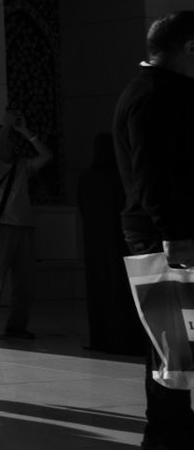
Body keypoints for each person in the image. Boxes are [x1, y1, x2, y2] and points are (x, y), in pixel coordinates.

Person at [114, 11, 194, 450]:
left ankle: (164, 430)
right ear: (189, 47)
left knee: (167, 336)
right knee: (174, 337)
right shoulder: (154, 95)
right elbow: (153, 173)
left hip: (163, 229)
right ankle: (174, 435)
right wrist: (175, 233)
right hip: (166, 234)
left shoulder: (157, 91)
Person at [0, 108, 52, 341]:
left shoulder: (21, 165)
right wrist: (6, 126)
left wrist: (25, 131)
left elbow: (46, 156)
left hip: (24, 228)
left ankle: (16, 326)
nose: (8, 144)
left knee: (25, 283)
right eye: (4, 140)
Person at [77, 132, 147, 356]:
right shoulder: (121, 177)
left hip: (94, 244)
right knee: (122, 290)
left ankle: (102, 337)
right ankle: (126, 338)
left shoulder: (87, 178)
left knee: (99, 289)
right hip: (119, 241)